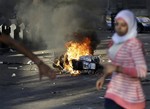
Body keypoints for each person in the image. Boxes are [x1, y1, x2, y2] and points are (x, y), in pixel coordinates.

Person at [96, 10, 147, 109]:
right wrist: (103, 77)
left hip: (130, 97)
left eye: (123, 25)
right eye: (117, 24)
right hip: (113, 93)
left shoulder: (134, 45)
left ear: (130, 26)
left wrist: (117, 68)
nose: (119, 27)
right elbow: (113, 65)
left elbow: (142, 71)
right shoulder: (115, 42)